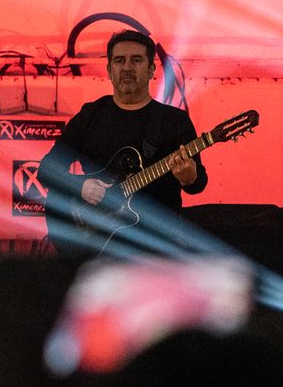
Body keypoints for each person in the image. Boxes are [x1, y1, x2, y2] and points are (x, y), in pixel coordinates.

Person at [38, 29, 206, 254]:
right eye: (119, 60)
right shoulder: (91, 115)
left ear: (151, 70)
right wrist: (81, 187)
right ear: (109, 70)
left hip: (156, 242)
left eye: (136, 60)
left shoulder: (174, 121)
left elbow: (198, 185)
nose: (127, 67)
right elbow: (46, 170)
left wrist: (189, 176)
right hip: (94, 245)